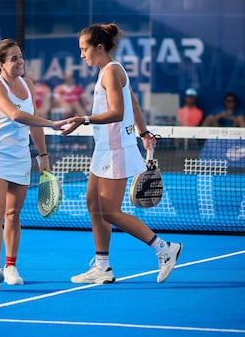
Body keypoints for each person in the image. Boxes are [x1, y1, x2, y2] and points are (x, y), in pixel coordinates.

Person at [61, 23, 183, 285]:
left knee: (110, 212)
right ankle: (102, 267)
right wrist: (143, 133)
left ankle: (164, 248)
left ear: (99, 47)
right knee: (93, 205)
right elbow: (134, 105)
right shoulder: (110, 70)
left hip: (116, 151)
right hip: (103, 150)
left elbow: (117, 111)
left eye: (85, 49)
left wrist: (84, 119)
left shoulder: (110, 72)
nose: (82, 54)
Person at [0, 38, 69, 290]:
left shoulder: (28, 85)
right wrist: (52, 124)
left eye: (21, 57)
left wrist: (43, 156)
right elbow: (17, 115)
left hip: (20, 157)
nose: (20, 62)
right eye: (14, 59)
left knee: (13, 214)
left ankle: (10, 266)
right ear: (1, 65)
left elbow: (32, 123)